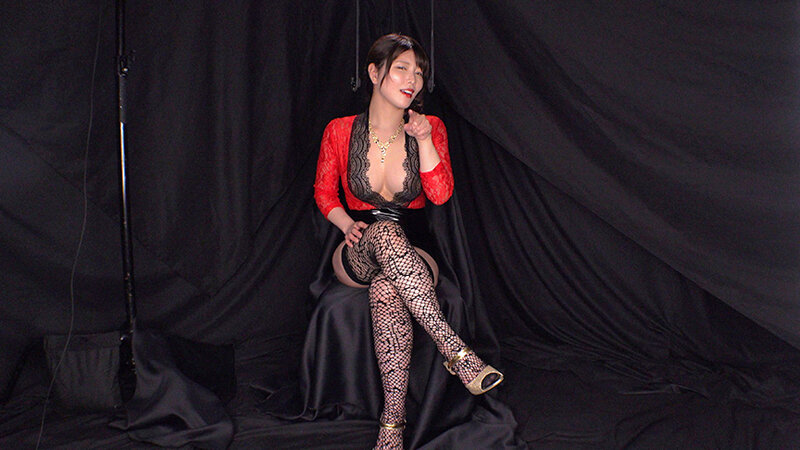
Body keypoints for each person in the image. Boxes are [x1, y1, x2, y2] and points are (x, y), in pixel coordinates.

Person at [313, 33, 503, 449]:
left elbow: (440, 195)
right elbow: (324, 193)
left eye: (418, 72)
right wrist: (345, 224)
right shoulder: (339, 131)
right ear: (374, 72)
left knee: (387, 288)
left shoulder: (430, 128)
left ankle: (392, 427)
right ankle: (455, 351)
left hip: (414, 248)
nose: (412, 79)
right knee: (382, 232)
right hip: (357, 247)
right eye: (401, 68)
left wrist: (424, 140)